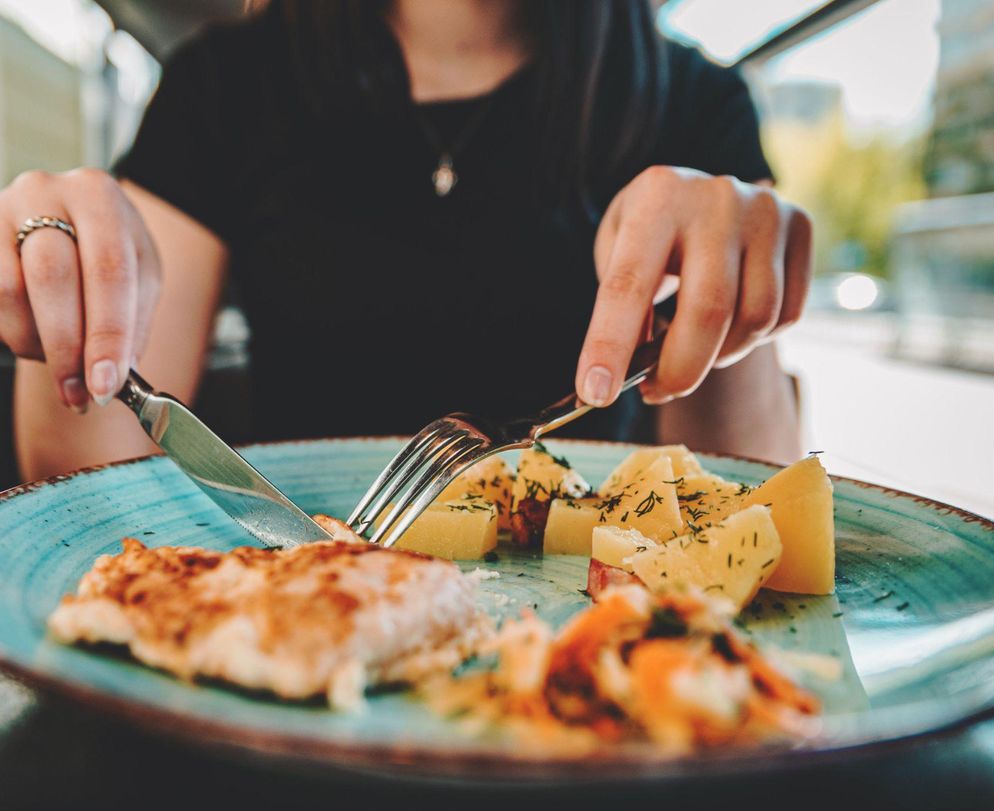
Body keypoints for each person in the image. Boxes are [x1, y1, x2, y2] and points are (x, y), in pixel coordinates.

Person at [1, 0, 811, 483]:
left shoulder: (695, 105)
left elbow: (750, 499)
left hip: (602, 656)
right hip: (297, 618)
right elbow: (95, 469)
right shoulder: (227, 86)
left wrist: (731, 309)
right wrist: (62, 292)